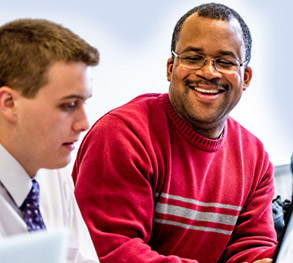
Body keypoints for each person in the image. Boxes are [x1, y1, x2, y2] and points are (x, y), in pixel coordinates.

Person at [72, 3, 277, 263]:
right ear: (170, 68)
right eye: (193, 58)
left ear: (245, 77)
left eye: (225, 62)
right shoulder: (123, 135)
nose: (208, 72)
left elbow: (252, 249)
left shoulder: (255, 159)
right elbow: (111, 250)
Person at [0, 18, 100, 262]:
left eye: (84, 103)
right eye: (68, 105)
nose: (84, 124)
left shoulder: (52, 171)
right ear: (9, 104)